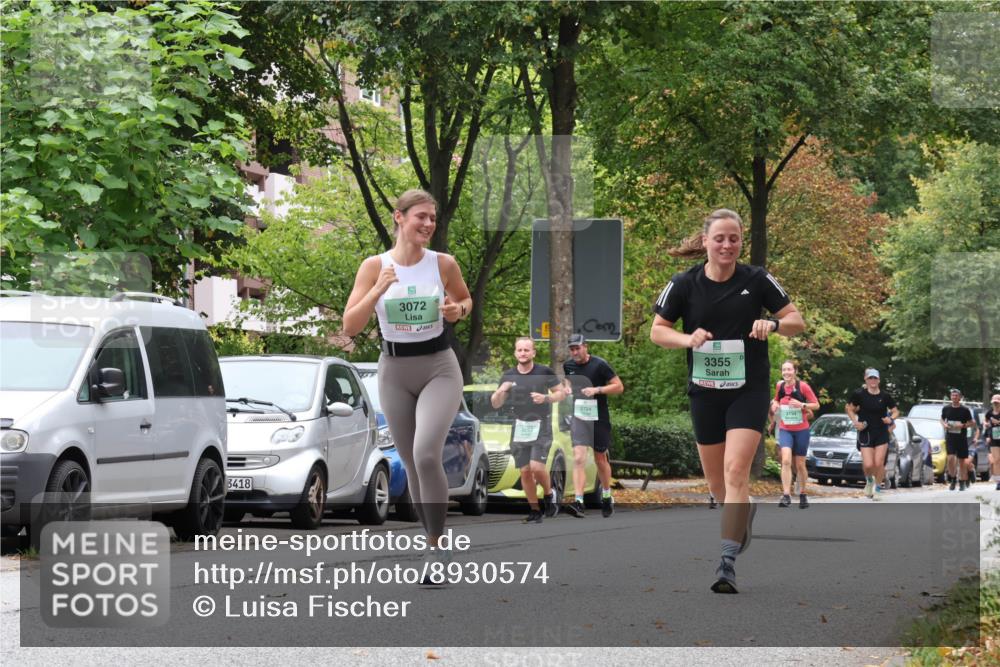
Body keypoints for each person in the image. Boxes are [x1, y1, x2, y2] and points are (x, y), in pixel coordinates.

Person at [650, 208, 804, 594]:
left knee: (736, 472)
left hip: (747, 390)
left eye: (734, 238)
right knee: (719, 488)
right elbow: (657, 331)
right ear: (705, 241)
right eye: (719, 238)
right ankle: (742, 511)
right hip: (705, 392)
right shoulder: (683, 285)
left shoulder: (757, 279)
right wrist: (688, 339)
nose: (727, 245)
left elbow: (797, 321)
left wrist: (773, 324)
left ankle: (726, 562)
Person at [343, 189, 472, 585]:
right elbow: (350, 326)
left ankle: (437, 546)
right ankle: (433, 541)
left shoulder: (443, 264)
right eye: (421, 217)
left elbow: (465, 302)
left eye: (432, 218)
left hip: (439, 367)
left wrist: (457, 310)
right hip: (394, 370)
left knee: (425, 453)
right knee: (413, 463)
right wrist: (378, 289)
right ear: (399, 218)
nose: (429, 225)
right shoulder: (373, 266)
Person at [492, 337, 566, 523]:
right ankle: (535, 509)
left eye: (527, 350)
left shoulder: (544, 372)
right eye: (520, 350)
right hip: (519, 426)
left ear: (533, 352)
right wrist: (501, 391)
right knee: (524, 471)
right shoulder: (508, 376)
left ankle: (548, 495)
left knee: (536, 467)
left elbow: (561, 393)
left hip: (541, 424)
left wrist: (545, 398)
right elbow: (495, 404)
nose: (523, 353)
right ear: (515, 353)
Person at [562, 333, 623, 519]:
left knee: (600, 459)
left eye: (577, 348)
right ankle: (579, 502)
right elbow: (567, 384)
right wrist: (565, 389)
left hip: (599, 417)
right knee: (579, 457)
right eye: (571, 349)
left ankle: (606, 496)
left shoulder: (599, 364)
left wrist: (597, 390)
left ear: (585, 347)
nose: (574, 352)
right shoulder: (568, 366)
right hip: (579, 416)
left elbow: (619, 386)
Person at [771, 360, 820, 509]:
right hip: (785, 429)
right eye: (784, 370)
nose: (786, 372)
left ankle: (803, 493)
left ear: (795, 372)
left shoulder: (802, 386)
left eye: (789, 370)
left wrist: (802, 405)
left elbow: (816, 404)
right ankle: (786, 495)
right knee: (785, 461)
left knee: (800, 464)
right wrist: (775, 404)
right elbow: (776, 400)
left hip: (801, 430)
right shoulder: (780, 386)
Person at [845, 369, 899, 500]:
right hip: (866, 432)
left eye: (875, 378)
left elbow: (896, 411)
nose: (873, 380)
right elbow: (849, 408)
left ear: (879, 380)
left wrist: (891, 419)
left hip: (881, 432)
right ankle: (869, 481)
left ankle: (878, 489)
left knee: (879, 462)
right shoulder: (859, 394)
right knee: (868, 464)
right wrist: (855, 421)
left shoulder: (885, 396)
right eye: (870, 378)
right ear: (866, 379)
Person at [940, 388, 975, 491]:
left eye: (956, 395)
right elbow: (941, 419)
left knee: (962, 461)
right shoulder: (946, 408)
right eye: (952, 395)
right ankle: (953, 479)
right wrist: (944, 424)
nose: (954, 397)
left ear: (960, 397)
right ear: (950, 397)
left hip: (961, 438)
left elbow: (972, 422)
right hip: (950, 437)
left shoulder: (965, 410)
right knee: (950, 458)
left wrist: (963, 425)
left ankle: (962, 481)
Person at [985, 394, 1000, 491]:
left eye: (997, 402)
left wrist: (998, 422)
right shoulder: (989, 413)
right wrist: (986, 425)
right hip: (994, 438)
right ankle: (999, 482)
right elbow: (985, 422)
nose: (995, 404)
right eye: (994, 402)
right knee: (997, 460)